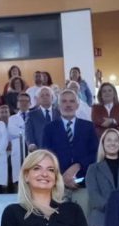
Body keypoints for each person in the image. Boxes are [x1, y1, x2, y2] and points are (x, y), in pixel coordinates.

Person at [42, 89, 98, 217]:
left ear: (77, 105)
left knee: (83, 222)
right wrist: (62, 177)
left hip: (83, 185)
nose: (68, 105)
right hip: (57, 185)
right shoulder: (49, 128)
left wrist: (78, 166)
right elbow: (46, 155)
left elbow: (95, 154)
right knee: (59, 223)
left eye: (72, 101)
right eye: (64, 101)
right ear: (58, 105)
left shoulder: (88, 127)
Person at [87, 127, 119, 226]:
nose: (112, 143)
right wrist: (113, 207)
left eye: (116, 140)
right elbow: (94, 196)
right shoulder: (93, 169)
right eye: (109, 140)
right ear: (103, 143)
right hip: (101, 220)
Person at [25, 86, 60, 151]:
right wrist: (31, 144)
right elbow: (29, 134)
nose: (45, 97)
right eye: (42, 95)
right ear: (37, 99)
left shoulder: (60, 114)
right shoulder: (31, 115)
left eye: (47, 95)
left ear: (52, 98)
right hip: (39, 151)